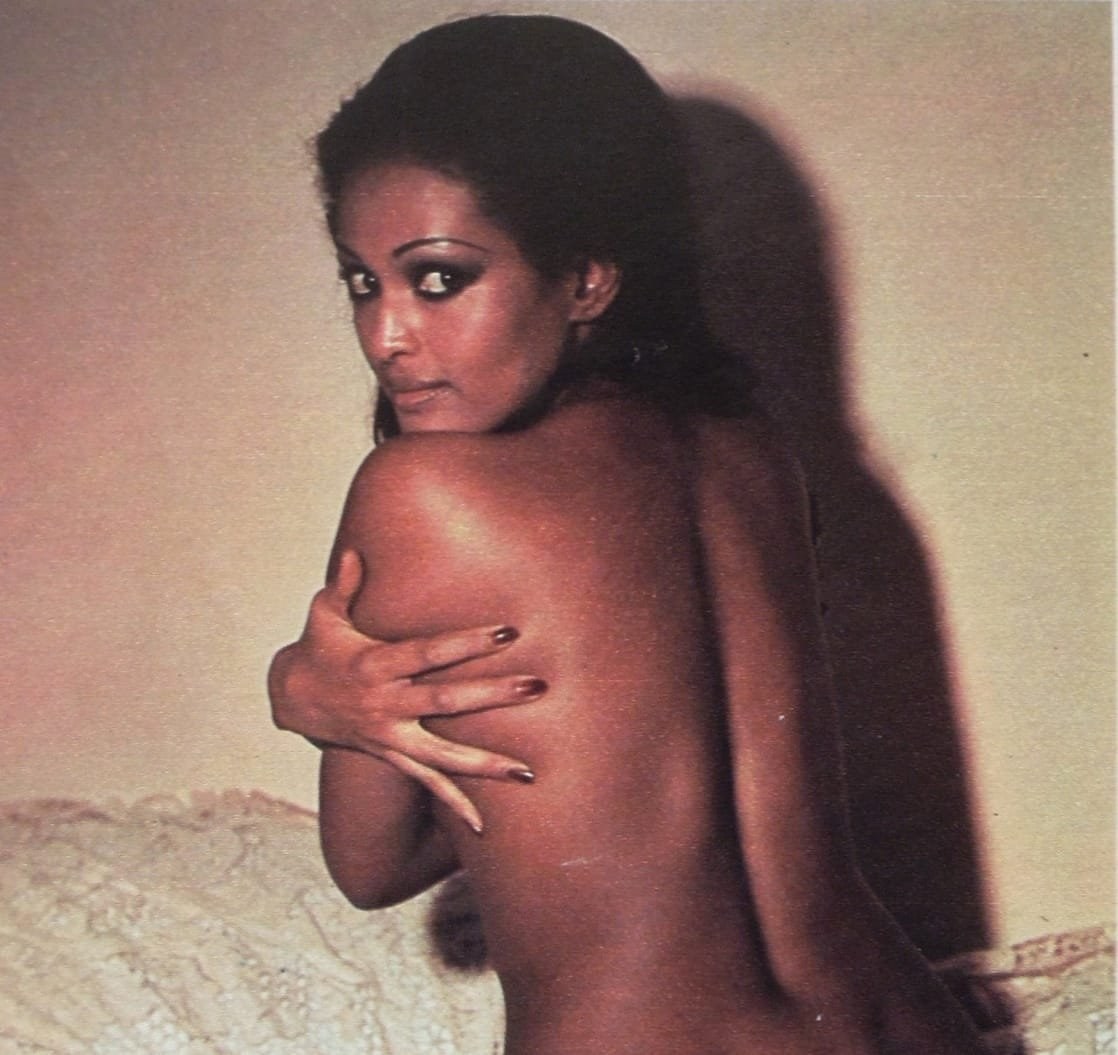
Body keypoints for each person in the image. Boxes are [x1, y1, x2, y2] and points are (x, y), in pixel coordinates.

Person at [269, 15, 984, 1054]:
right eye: (360, 279)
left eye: (438, 278)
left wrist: (310, 694)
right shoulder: (749, 455)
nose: (387, 333)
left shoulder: (423, 493)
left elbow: (370, 866)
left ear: (587, 278)